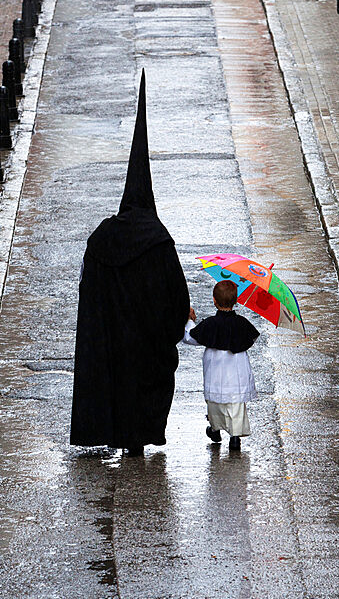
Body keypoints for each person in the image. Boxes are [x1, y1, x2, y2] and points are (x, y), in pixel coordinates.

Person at [70, 71, 190, 456]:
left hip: (111, 345)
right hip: (146, 344)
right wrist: (173, 324)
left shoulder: (102, 237)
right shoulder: (159, 241)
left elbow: (87, 293)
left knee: (117, 383)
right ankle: (138, 438)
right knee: (145, 383)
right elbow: (176, 294)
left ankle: (114, 433)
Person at [184, 280, 259, 452]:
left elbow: (191, 337)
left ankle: (215, 429)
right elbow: (251, 338)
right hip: (236, 372)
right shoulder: (242, 323)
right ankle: (234, 438)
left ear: (214, 300)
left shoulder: (210, 324)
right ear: (236, 300)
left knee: (215, 403)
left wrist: (189, 321)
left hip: (216, 371)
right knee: (236, 405)